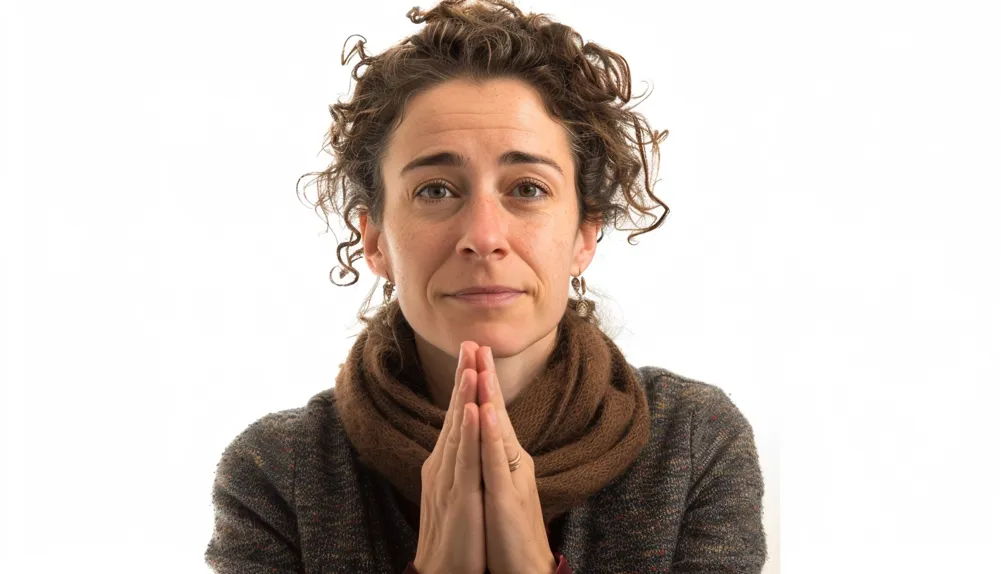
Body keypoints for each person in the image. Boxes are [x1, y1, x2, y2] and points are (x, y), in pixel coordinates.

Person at [204, 1, 767, 572]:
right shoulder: (279, 473)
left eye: (526, 188)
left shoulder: (693, 443)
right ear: (374, 240)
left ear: (584, 234)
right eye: (434, 191)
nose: (483, 236)